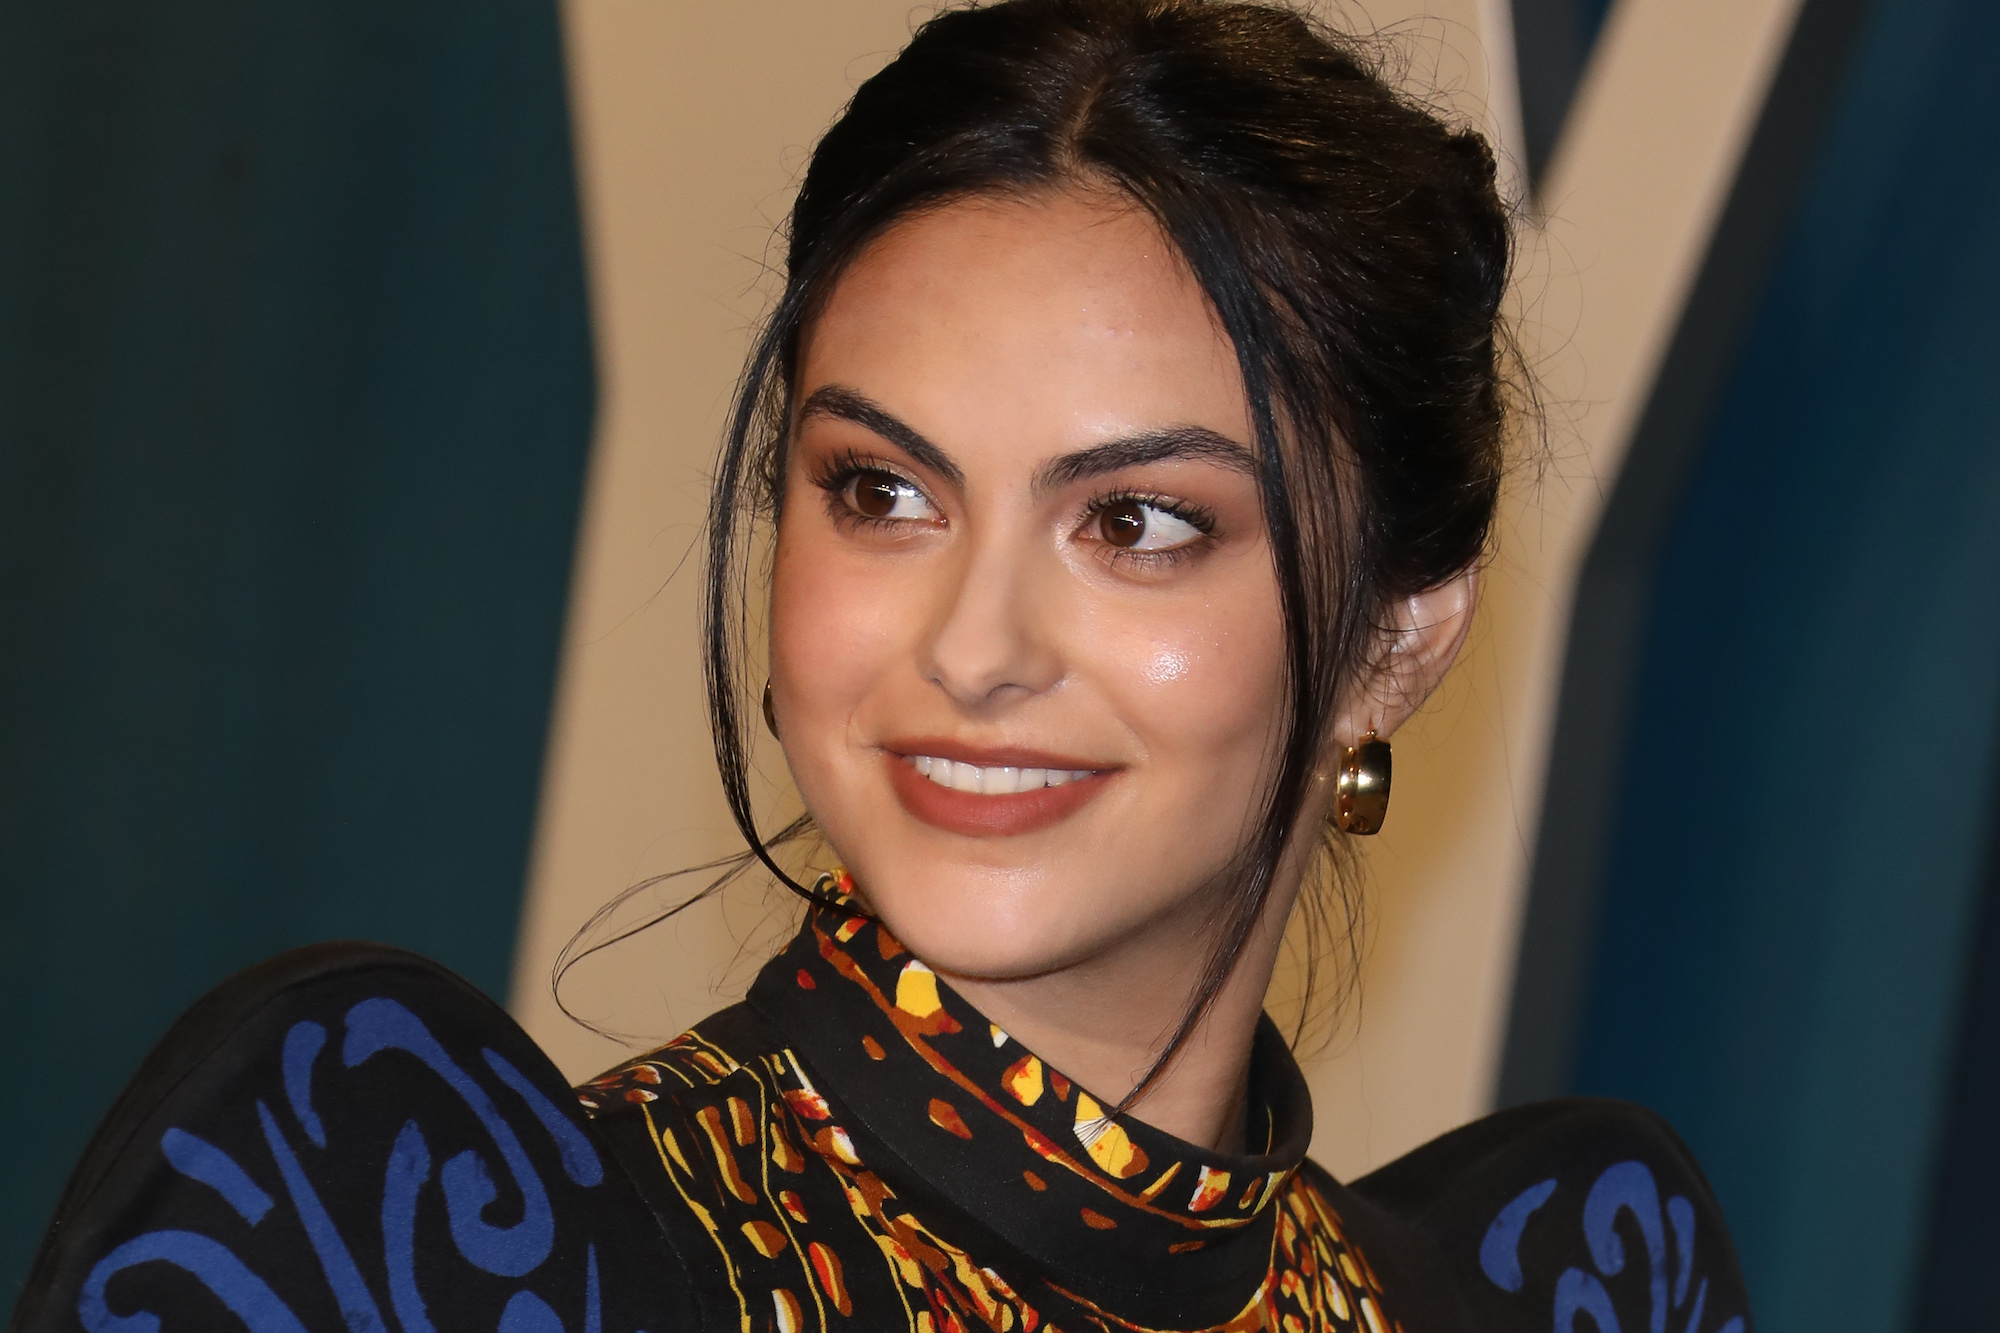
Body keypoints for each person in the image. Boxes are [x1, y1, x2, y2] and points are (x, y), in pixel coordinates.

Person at [9, 3, 1750, 1331]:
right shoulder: (439, 1256)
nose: (972, 649)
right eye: (883, 493)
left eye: (1137, 521)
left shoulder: (1527, 1296)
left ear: (1397, 636)